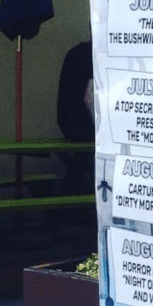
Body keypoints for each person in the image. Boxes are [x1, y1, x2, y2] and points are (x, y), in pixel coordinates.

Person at [56, 40, 94, 193]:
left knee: (82, 161)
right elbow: (90, 100)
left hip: (70, 123)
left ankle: (68, 195)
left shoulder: (80, 51)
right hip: (84, 126)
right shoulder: (93, 54)